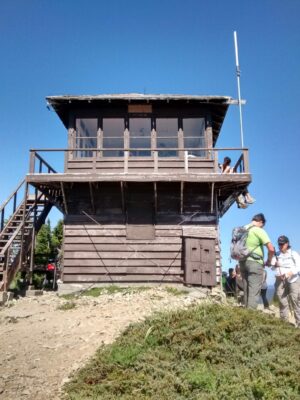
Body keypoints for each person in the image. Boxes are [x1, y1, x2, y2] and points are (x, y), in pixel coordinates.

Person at [239, 213, 275, 309]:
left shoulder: (243, 228)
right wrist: (269, 260)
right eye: (263, 225)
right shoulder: (258, 230)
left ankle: (244, 315)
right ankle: (250, 318)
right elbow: (271, 249)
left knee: (246, 290)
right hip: (255, 263)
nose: (262, 227)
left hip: (242, 262)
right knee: (254, 291)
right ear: (261, 222)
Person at [271, 235, 300, 327]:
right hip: (279, 280)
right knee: (282, 301)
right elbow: (272, 267)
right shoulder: (277, 254)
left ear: (287, 244)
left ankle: (299, 323)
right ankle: (284, 324)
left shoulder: (294, 254)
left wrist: (288, 274)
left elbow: (298, 267)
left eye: (282, 244)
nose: (280, 246)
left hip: (293, 280)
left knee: (295, 300)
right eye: (279, 244)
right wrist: (275, 265)